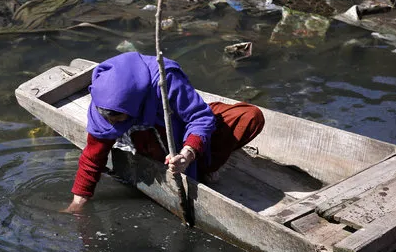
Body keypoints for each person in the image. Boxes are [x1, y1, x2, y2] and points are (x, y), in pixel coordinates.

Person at [65, 52, 265, 213]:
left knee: (249, 115)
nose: (111, 123)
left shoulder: (165, 79)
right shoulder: (104, 100)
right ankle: (195, 164)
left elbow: (200, 118)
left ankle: (204, 165)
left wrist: (187, 153)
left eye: (118, 119)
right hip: (148, 143)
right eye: (109, 120)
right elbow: (93, 156)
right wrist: (78, 202)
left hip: (177, 130)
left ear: (132, 107)